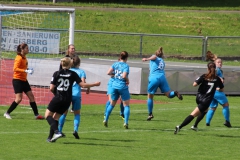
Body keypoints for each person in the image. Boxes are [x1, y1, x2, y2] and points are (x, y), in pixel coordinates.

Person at [45, 57, 100, 142]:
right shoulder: (73, 74)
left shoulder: (56, 73)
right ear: (70, 64)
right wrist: (95, 84)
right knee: (56, 118)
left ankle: (57, 131)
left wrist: (56, 94)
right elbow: (83, 85)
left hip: (58, 98)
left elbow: (51, 88)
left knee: (48, 116)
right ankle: (50, 138)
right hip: (67, 100)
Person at [174, 61, 224, 134]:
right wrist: (216, 88)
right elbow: (222, 89)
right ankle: (179, 127)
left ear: (208, 68)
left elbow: (194, 84)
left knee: (205, 111)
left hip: (199, 97)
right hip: (206, 100)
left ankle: (195, 125)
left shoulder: (204, 76)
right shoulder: (217, 79)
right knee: (193, 114)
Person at [190, 51, 231, 131]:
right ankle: (227, 121)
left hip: (210, 93)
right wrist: (219, 86)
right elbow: (221, 81)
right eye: (218, 62)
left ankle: (207, 122)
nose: (220, 64)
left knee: (212, 107)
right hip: (217, 91)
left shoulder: (213, 71)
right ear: (215, 64)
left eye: (221, 62)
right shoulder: (218, 70)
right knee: (225, 105)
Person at [3, 43, 44, 120]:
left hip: (24, 80)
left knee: (31, 96)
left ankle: (36, 115)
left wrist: (28, 70)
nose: (28, 50)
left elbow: (23, 68)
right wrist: (25, 70)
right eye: (27, 48)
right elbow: (15, 69)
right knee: (18, 99)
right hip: (17, 80)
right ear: (22, 49)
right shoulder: (18, 58)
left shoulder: (24, 57)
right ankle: (7, 113)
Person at [142, 47, 183, 121]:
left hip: (154, 78)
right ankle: (175, 93)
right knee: (169, 94)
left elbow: (154, 57)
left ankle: (150, 114)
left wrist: (147, 59)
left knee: (150, 96)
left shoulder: (154, 57)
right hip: (162, 78)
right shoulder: (162, 61)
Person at [58, 55, 90, 139]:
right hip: (76, 95)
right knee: (77, 114)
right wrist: (89, 88)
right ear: (79, 63)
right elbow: (83, 83)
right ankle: (75, 130)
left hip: (67, 94)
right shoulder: (81, 72)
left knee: (64, 113)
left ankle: (59, 130)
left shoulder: (69, 70)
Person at [103, 51, 130, 129]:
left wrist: (115, 75)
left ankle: (106, 119)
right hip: (122, 86)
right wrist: (127, 80)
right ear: (126, 58)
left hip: (114, 86)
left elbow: (108, 72)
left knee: (112, 104)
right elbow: (124, 75)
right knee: (126, 105)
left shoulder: (115, 64)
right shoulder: (126, 66)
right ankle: (126, 122)